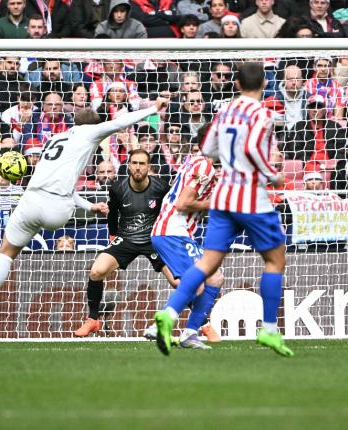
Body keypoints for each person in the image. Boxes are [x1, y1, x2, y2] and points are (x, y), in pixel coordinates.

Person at [0, 98, 170, 326]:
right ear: (92, 125)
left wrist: (89, 206)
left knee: (6, 253)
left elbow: (59, 182)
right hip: (58, 209)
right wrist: (153, 109)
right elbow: (120, 123)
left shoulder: (53, 139)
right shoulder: (89, 133)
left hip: (30, 200)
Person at [153, 62, 294, 357]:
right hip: (251, 197)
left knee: (207, 265)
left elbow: (209, 149)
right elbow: (254, 150)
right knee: (275, 259)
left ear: (237, 85)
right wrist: (273, 174)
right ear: (264, 84)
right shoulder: (263, 115)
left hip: (223, 197)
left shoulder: (225, 112)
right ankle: (268, 329)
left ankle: (169, 313)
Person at [74, 149, 171, 337]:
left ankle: (202, 323)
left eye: (142, 163)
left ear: (149, 167)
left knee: (178, 281)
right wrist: (112, 236)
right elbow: (112, 214)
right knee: (96, 271)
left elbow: (169, 213)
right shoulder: (118, 188)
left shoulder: (161, 187)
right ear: (128, 165)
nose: (137, 167)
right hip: (125, 238)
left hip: (153, 239)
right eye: (134, 163)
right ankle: (93, 320)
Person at [149, 128, 223, 349]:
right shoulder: (204, 166)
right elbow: (183, 203)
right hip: (173, 231)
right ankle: (161, 324)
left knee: (215, 279)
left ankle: (190, 333)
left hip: (177, 232)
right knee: (199, 284)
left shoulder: (196, 162)